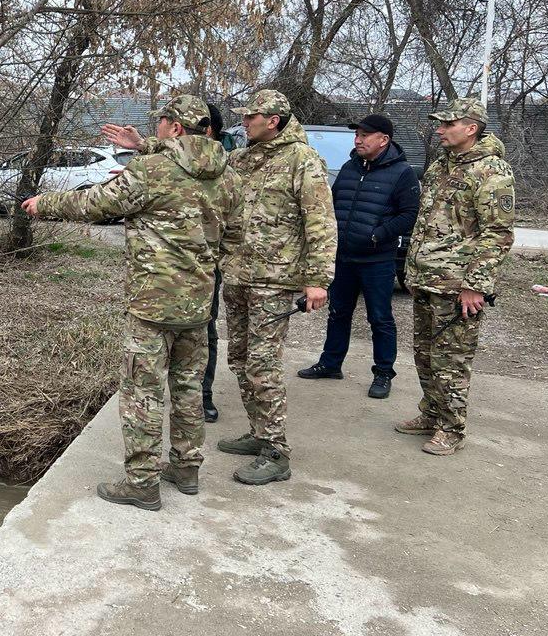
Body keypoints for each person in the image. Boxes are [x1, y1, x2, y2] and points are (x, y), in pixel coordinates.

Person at [22, 95, 241, 510]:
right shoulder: (229, 176)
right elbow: (235, 239)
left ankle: (141, 482)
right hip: (198, 306)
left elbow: (93, 203)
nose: (156, 127)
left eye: (161, 121)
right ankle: (187, 468)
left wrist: (43, 204)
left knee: (142, 390)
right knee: (188, 387)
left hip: (152, 306)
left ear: (175, 127)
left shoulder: (151, 171)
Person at [217, 89, 336, 486]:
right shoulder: (242, 157)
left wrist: (318, 279)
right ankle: (257, 432)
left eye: (251, 117)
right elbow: (201, 163)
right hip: (237, 274)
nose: (244, 122)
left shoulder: (302, 160)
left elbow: (319, 221)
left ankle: (275, 451)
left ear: (273, 120)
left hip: (273, 279)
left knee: (263, 365)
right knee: (239, 359)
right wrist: (146, 145)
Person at [396, 97, 514, 455]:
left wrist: (474, 286)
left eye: (448, 125)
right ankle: (432, 413)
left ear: (471, 128)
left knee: (452, 360)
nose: (440, 130)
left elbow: (497, 234)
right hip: (427, 279)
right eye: (441, 124)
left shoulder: (492, 172)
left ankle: (452, 428)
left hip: (457, 286)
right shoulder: (440, 166)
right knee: (425, 354)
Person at [297, 114, 420, 399]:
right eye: (357, 135)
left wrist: (378, 234)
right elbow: (334, 202)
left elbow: (410, 215)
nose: (358, 139)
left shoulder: (402, 173)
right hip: (343, 257)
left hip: (377, 259)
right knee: (338, 312)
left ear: (383, 140)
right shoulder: (351, 167)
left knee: (380, 318)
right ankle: (330, 364)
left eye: (365, 135)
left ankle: (383, 373)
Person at [201, 102, 227, 423]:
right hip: (167, 269)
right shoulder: (164, 161)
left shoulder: (225, 167)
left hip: (208, 266)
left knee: (205, 330)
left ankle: (204, 393)